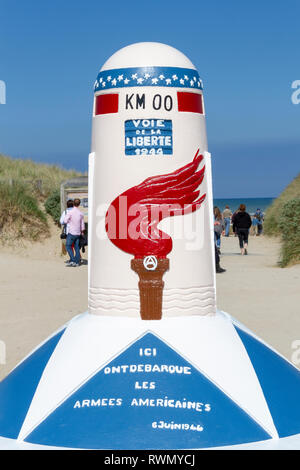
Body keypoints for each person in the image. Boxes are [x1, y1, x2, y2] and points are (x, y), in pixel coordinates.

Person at [64, 198, 85, 267]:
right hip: (78, 233)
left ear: (73, 203)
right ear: (79, 204)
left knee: (68, 246)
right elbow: (82, 224)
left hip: (71, 232)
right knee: (76, 247)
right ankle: (76, 262)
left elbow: (65, 221)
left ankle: (73, 260)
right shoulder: (81, 213)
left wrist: (69, 220)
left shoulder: (70, 212)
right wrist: (82, 232)